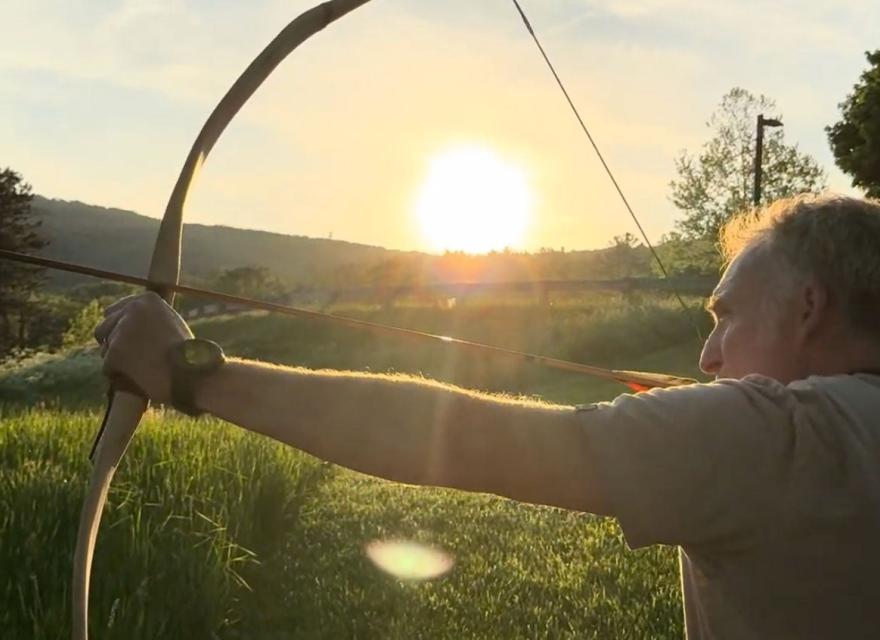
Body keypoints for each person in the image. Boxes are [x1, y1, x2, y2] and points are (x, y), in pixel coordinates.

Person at [95, 194, 880, 639]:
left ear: (809, 307)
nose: (707, 357)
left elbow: (480, 442)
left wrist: (191, 376)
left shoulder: (787, 438)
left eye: (726, 318)